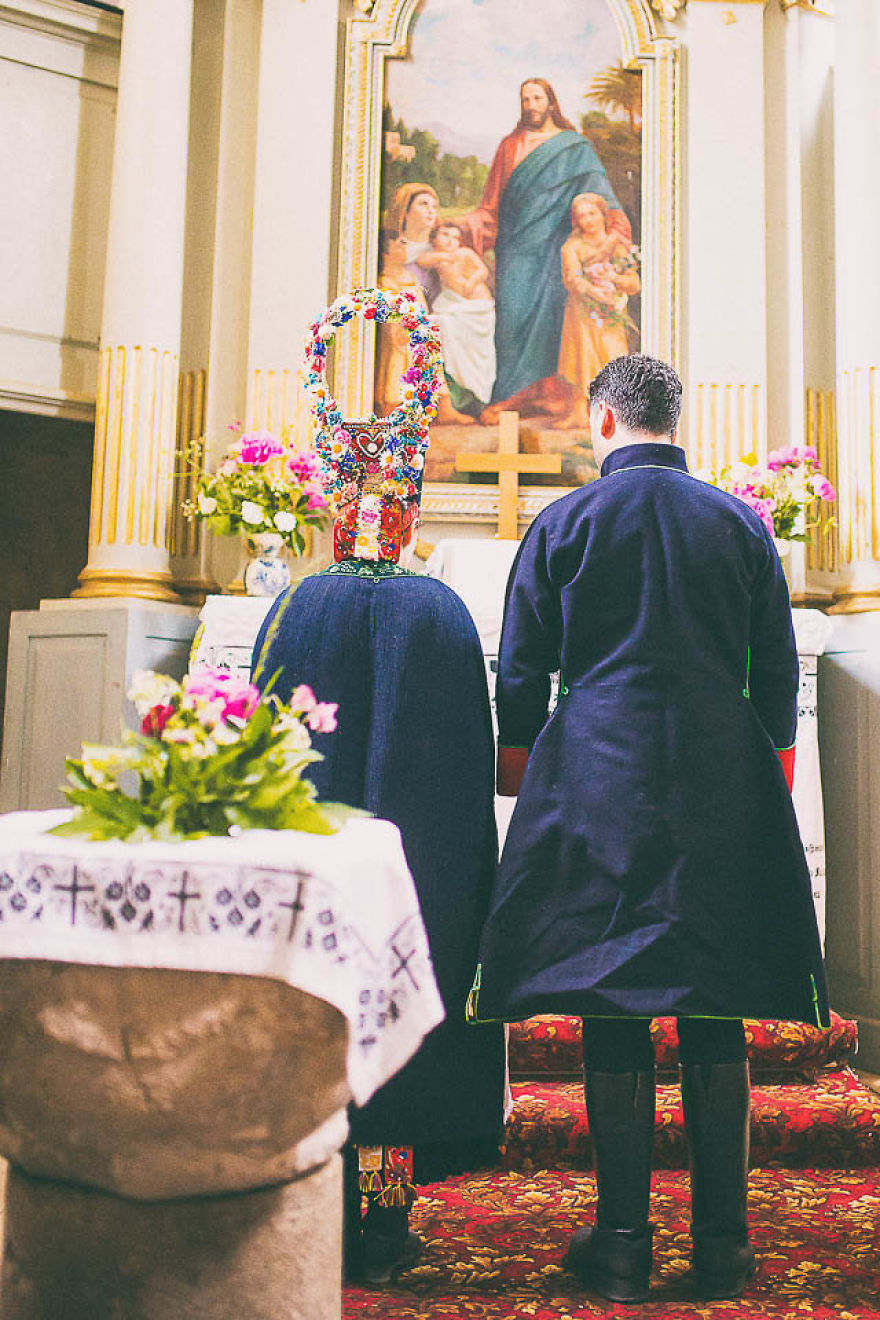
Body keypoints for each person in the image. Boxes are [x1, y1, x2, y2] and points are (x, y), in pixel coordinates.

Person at [468, 355, 829, 1303]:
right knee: (717, 996)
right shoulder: (739, 521)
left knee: (610, 991)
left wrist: (518, 768)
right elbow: (779, 666)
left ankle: (623, 1244)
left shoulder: (565, 522)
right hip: (722, 773)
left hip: (596, 776)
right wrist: (774, 773)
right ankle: (726, 1247)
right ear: (677, 419)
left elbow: (523, 665)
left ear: (600, 419)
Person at [251, 417, 506, 1286]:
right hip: (417, 874)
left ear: (338, 512)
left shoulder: (296, 606)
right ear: (405, 514)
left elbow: (253, 744)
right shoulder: (440, 611)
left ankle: (304, 1188)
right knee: (404, 1002)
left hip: (309, 873)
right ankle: (388, 1215)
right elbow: (471, 767)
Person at [458, 78, 631, 425]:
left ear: (551, 102)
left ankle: (553, 396)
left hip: (556, 247)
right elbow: (492, 200)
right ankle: (510, 396)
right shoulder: (510, 146)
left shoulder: (574, 147)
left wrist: (614, 229)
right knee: (513, 320)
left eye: (537, 98)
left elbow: (600, 195)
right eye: (525, 99)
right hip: (516, 248)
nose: (530, 105)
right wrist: (475, 220)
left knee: (555, 322)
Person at [556, 194, 640, 430]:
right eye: (582, 216)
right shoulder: (571, 247)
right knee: (582, 357)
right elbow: (572, 279)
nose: (588, 220)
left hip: (610, 314)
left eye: (591, 213)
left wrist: (613, 279)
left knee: (611, 355)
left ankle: (615, 415)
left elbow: (634, 283)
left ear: (602, 215)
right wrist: (595, 292)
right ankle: (578, 412)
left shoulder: (615, 245)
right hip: (582, 311)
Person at [416, 221, 496, 417]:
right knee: (443, 326)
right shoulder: (437, 257)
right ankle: (456, 394)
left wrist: (471, 282)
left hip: (477, 309)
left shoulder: (465, 253)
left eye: (455, 238)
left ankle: (477, 395)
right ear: (433, 239)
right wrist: (444, 255)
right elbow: (422, 260)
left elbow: (482, 270)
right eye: (445, 236)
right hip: (454, 304)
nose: (451, 241)